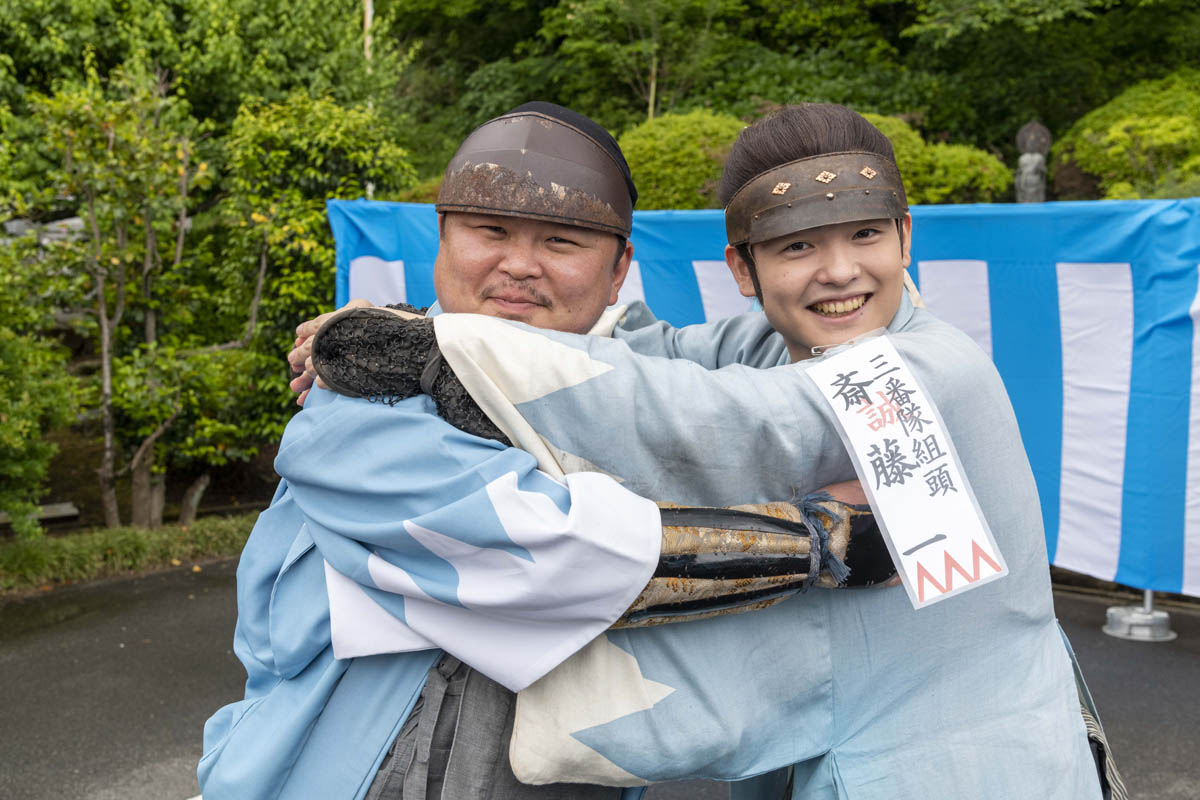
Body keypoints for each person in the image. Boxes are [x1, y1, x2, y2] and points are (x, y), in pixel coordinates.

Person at [306, 104, 1117, 798]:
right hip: (840, 758)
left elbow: (734, 419)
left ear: (906, 237)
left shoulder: (932, 369)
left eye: (865, 234)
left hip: (968, 769)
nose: (839, 273)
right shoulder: (780, 343)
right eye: (796, 247)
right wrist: (428, 323)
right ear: (743, 268)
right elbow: (648, 352)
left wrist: (443, 353)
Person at [200, 102, 874, 800]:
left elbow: (808, 335)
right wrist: (818, 544)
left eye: (561, 242)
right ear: (442, 238)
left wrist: (832, 254)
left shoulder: (612, 370)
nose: (518, 266)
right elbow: (560, 552)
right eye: (489, 231)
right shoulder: (363, 393)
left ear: (619, 273)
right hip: (352, 768)